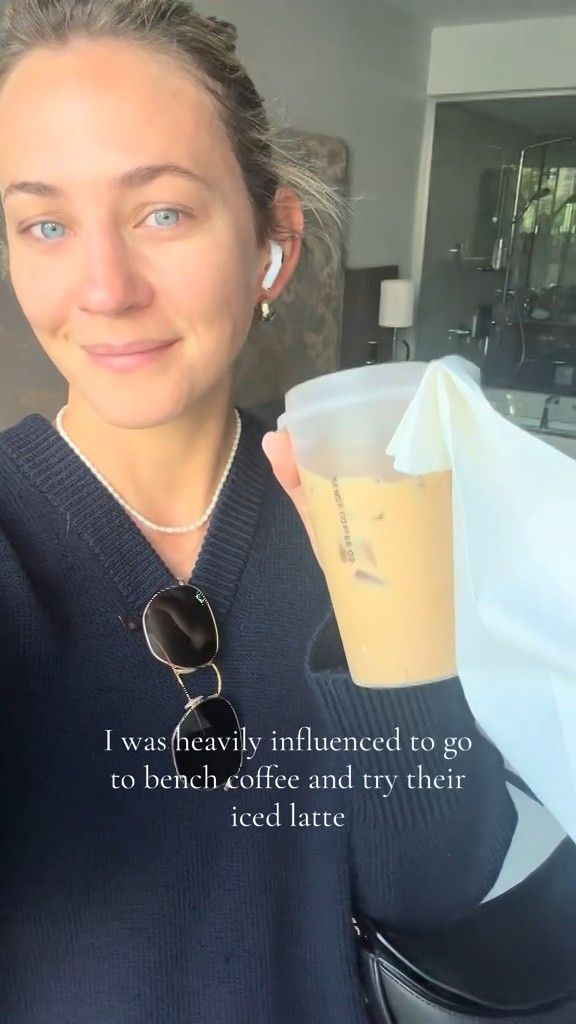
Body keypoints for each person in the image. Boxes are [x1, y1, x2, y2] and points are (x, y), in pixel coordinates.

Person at [0, 3, 517, 1022]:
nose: (105, 289)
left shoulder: (366, 509)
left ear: (272, 246)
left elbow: (436, 885)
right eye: (45, 225)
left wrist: (384, 625)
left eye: (162, 212)